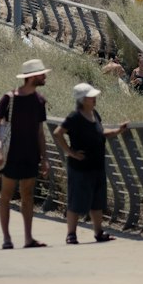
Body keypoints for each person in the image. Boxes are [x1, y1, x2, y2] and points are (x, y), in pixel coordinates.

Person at [54, 82, 129, 243]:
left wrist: (117, 130)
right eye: (91, 97)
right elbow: (58, 133)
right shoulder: (74, 117)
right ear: (82, 99)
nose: (94, 99)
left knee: (97, 201)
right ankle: (71, 234)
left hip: (97, 164)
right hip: (80, 167)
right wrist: (71, 153)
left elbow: (100, 132)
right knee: (76, 200)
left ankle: (98, 232)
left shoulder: (95, 114)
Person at [0, 59, 51, 249]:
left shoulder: (40, 101)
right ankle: (7, 239)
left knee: (27, 195)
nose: (45, 77)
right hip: (11, 154)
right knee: (6, 195)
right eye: (42, 74)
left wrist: (44, 158)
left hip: (30, 154)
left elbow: (40, 132)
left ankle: (28, 238)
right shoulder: (9, 98)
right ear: (32, 77)